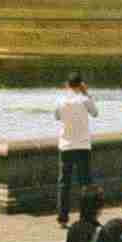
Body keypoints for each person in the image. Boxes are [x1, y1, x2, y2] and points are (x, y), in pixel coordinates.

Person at [54, 71, 98, 227]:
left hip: (66, 145)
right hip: (83, 145)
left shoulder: (60, 100)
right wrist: (87, 93)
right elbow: (95, 113)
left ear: (67, 84)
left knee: (64, 183)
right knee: (85, 183)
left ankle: (62, 218)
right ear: (81, 84)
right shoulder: (85, 99)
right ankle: (86, 217)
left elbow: (57, 116)